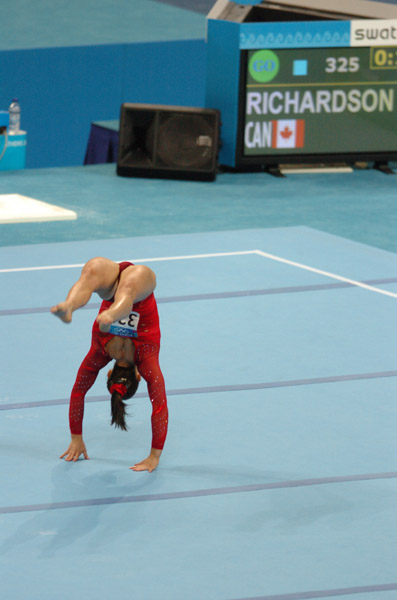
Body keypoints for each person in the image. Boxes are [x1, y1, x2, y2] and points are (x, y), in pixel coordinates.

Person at [51, 256, 168, 472]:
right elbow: (77, 392)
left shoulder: (147, 358)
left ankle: (71, 305)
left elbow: (160, 407)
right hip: (115, 299)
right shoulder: (101, 352)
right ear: (109, 374)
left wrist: (155, 455)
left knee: (112, 281)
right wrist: (76, 438)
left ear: (138, 376)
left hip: (134, 286)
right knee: (94, 274)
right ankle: (107, 313)